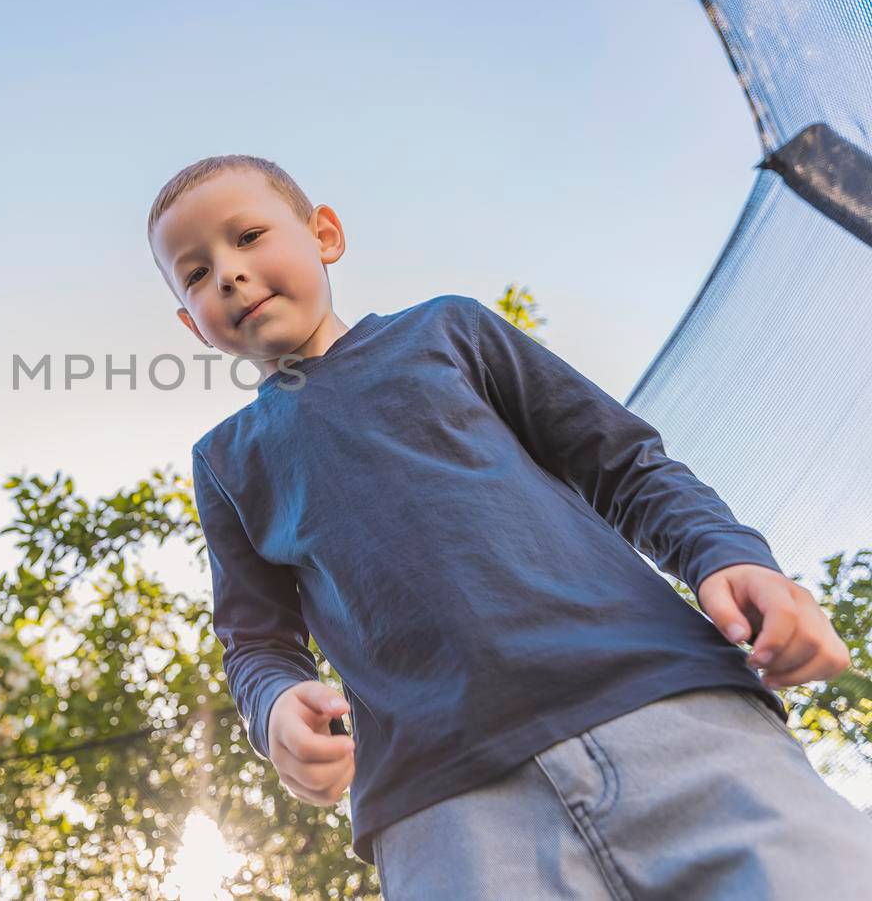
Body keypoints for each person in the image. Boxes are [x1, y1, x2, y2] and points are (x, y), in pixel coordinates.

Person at [146, 154, 871, 898]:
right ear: (189, 324)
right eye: (196, 274)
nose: (227, 274)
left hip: (667, 709)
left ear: (324, 234)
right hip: (446, 812)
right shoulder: (226, 462)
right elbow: (256, 643)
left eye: (249, 235)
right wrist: (274, 708)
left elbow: (620, 462)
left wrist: (723, 553)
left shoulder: (448, 330)